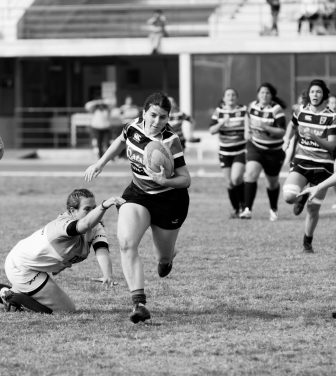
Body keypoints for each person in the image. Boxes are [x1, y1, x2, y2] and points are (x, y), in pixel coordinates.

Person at [84, 92, 191, 324]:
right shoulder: (133, 126)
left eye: (163, 117)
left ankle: (167, 257)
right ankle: (139, 304)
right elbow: (121, 140)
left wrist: (166, 181)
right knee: (126, 242)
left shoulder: (170, 141)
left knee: (162, 257)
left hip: (170, 201)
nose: (157, 121)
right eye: (153, 115)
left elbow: (185, 179)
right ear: (144, 113)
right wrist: (101, 162)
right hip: (138, 195)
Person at [0, 188, 124, 313]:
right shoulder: (62, 225)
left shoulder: (95, 226)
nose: (92, 212)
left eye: (94, 208)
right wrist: (104, 206)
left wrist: (107, 274)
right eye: (87, 209)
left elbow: (101, 248)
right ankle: (13, 297)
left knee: (59, 306)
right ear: (72, 211)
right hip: (21, 267)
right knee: (66, 310)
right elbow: (83, 225)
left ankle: (9, 293)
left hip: (32, 265)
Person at [282, 79, 336, 253]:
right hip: (302, 161)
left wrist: (314, 136)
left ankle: (307, 243)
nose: (315, 95)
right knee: (289, 196)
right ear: (308, 94)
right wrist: (286, 140)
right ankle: (301, 196)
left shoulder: (331, 117)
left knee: (313, 209)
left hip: (323, 167)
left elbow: (332, 146)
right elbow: (292, 125)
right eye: (312, 92)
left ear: (324, 95)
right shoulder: (301, 112)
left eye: (318, 92)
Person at [239, 83, 287, 221]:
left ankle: (273, 209)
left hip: (273, 151)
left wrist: (266, 127)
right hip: (255, 146)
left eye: (267, 93)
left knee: (272, 182)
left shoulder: (276, 110)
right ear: (257, 94)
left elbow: (281, 132)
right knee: (250, 174)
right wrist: (247, 130)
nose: (264, 95)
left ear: (272, 96)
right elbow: (247, 116)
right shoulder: (252, 105)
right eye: (261, 93)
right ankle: (247, 209)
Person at [209, 88, 248, 218]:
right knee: (229, 183)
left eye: (233, 94)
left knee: (236, 178)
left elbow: (249, 126)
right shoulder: (218, 112)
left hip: (240, 150)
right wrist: (221, 123)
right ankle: (236, 209)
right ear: (224, 98)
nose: (230, 97)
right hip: (225, 151)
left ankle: (244, 206)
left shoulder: (243, 110)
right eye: (228, 95)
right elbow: (212, 130)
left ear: (237, 97)